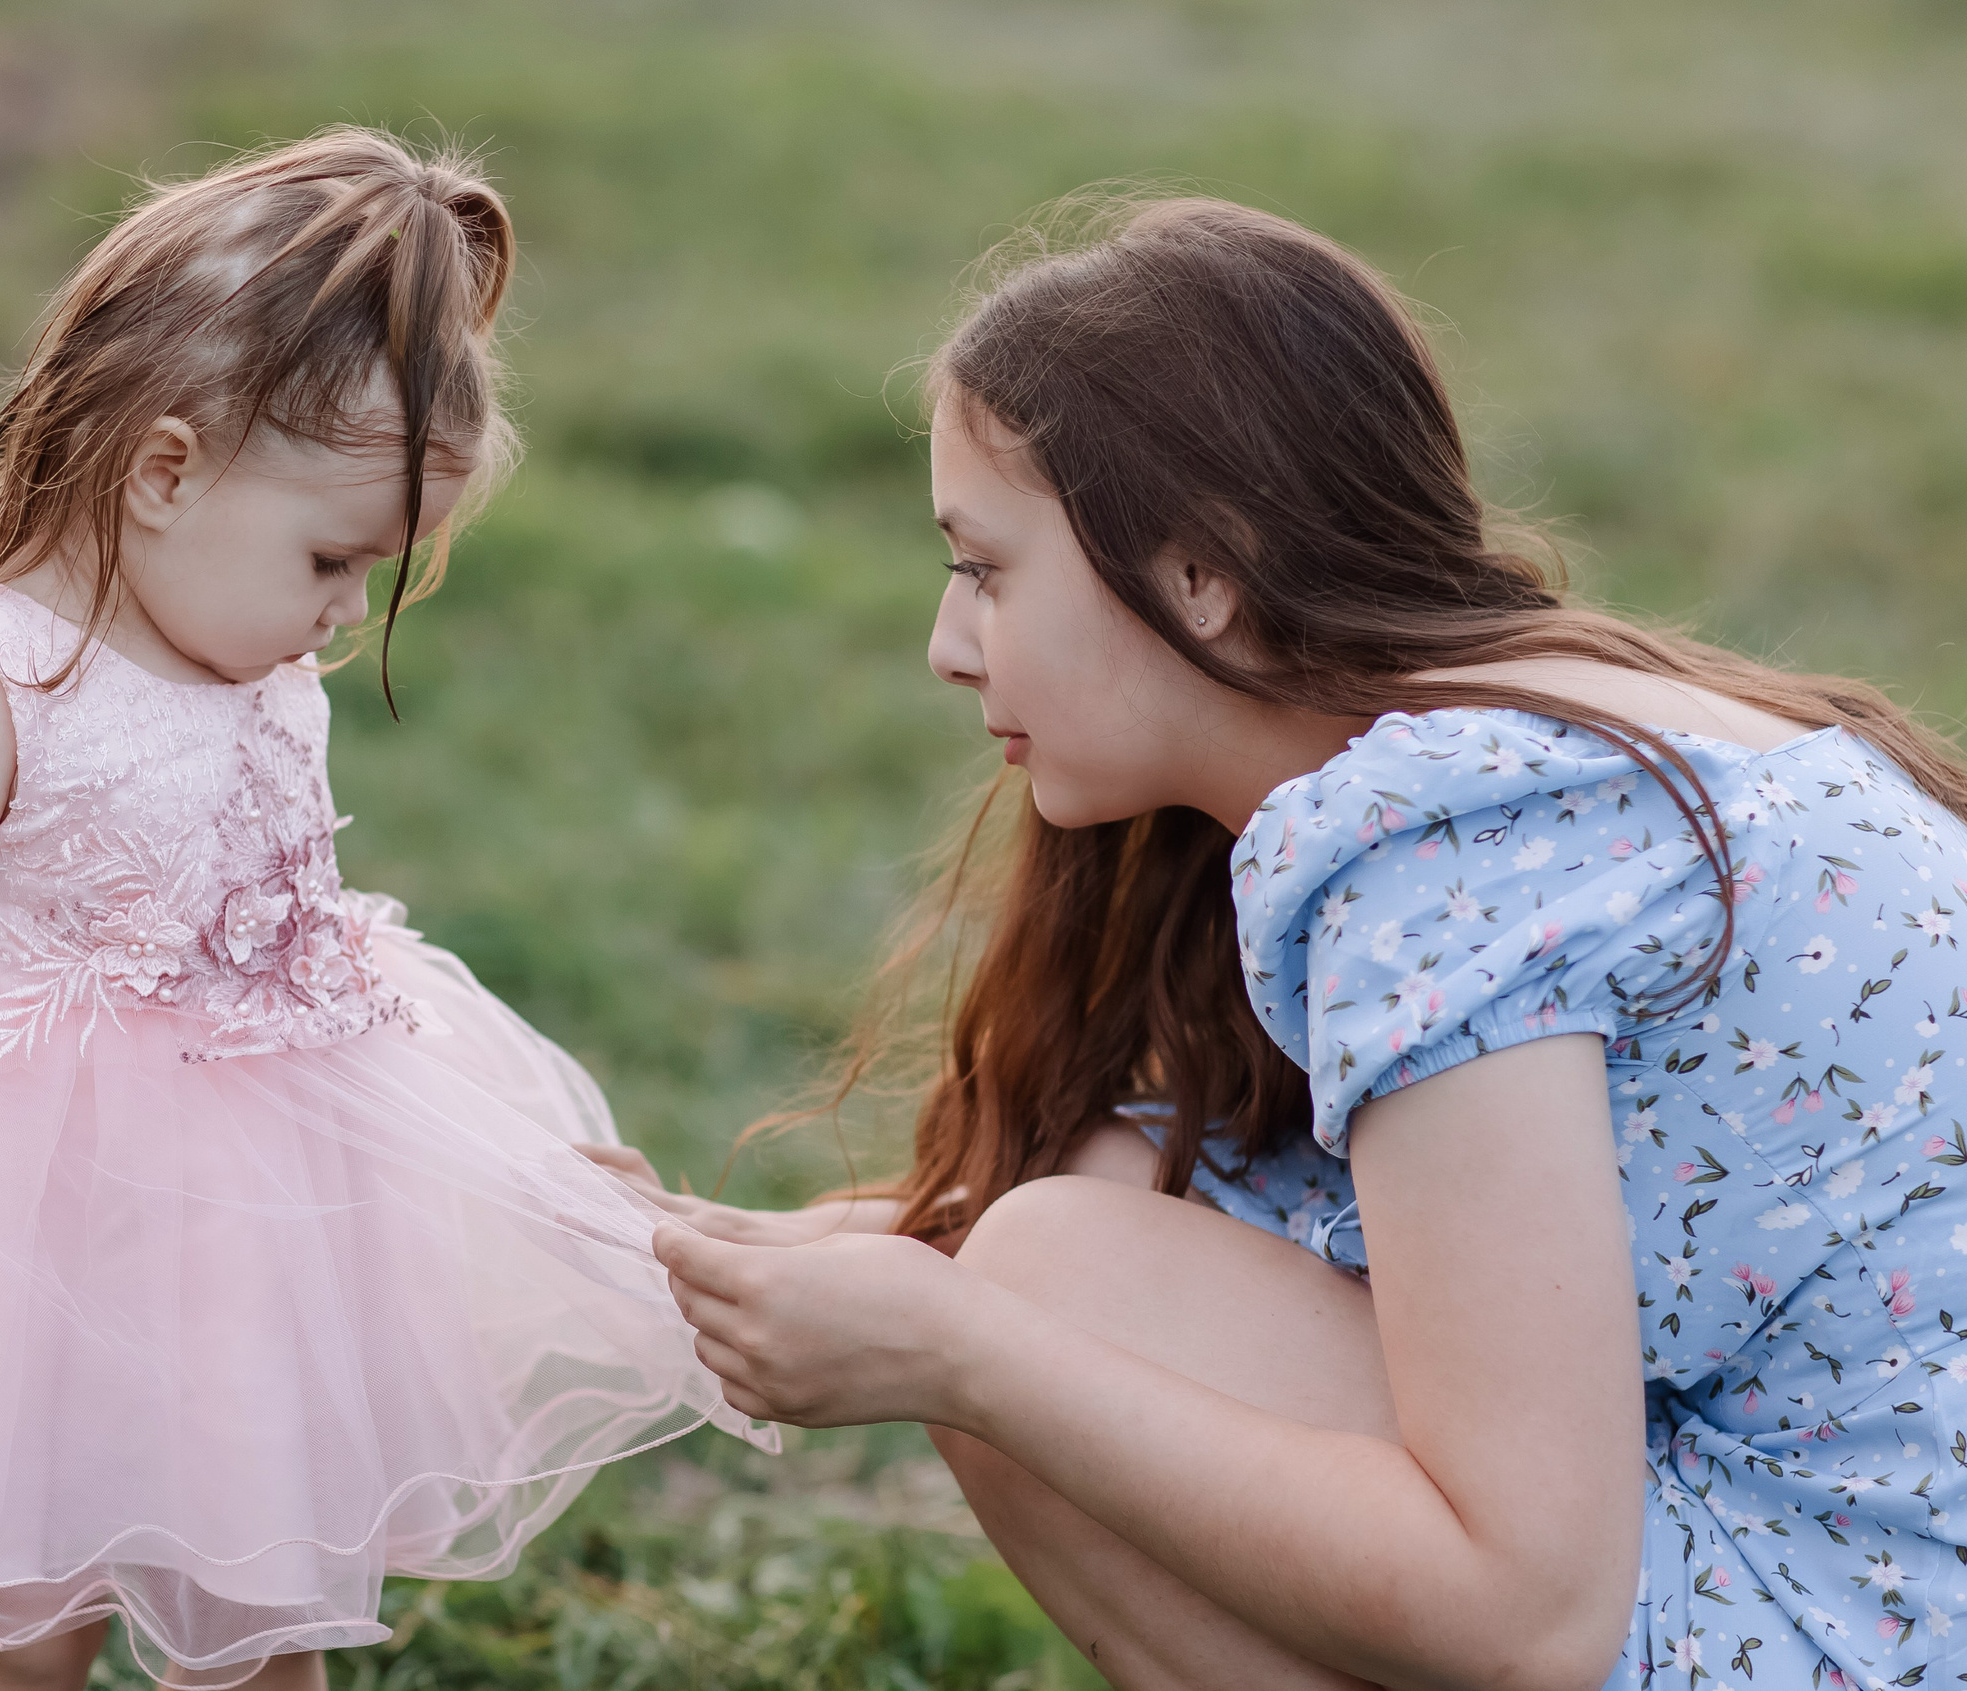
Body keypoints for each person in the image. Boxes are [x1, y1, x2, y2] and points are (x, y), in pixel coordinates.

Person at [589, 195, 1967, 1689]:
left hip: (1865, 1628)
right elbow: (1309, 1197)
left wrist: (962, 1354)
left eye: (984, 569)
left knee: (1049, 1275)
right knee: (1089, 1195)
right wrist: (788, 1250)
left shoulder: (1439, 850)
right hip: (1894, 1573)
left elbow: (1524, 1618)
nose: (947, 641)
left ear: (1201, 574)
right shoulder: (1565, 730)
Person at [0, 128, 770, 1691]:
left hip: (263, 1242)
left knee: (265, 1633)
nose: (336, 613)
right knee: (16, 1643)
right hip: (34, 1244)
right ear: (165, 471)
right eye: (331, 559)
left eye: (369, 579)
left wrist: (512, 1160)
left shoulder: (258, 666)